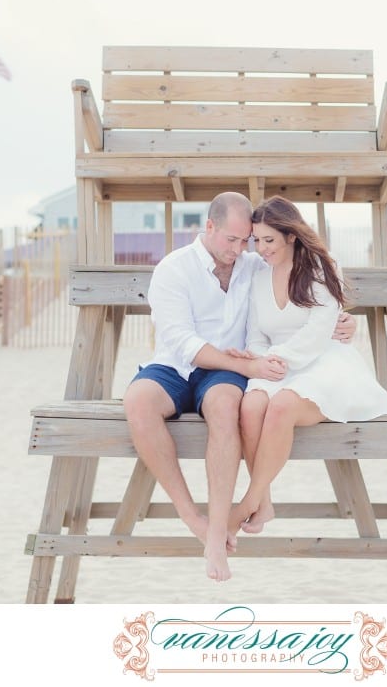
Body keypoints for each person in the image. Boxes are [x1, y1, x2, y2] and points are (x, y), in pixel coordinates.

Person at [121, 192, 356, 583]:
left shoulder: (252, 265)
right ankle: (193, 518)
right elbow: (182, 343)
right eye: (231, 239)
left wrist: (343, 321)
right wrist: (245, 361)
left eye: (245, 240)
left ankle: (219, 528)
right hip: (177, 365)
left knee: (226, 406)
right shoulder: (173, 268)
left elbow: (299, 297)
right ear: (209, 227)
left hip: (226, 375)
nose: (239, 249)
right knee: (137, 402)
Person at [227, 196, 387, 539]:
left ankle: (247, 500)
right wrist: (263, 361)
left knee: (280, 407)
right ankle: (263, 501)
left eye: (269, 240)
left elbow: (319, 330)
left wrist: (281, 360)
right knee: (250, 407)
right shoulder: (259, 277)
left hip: (323, 362)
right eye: (257, 241)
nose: (262, 249)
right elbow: (255, 333)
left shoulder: (322, 268)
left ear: (291, 236)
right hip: (274, 364)